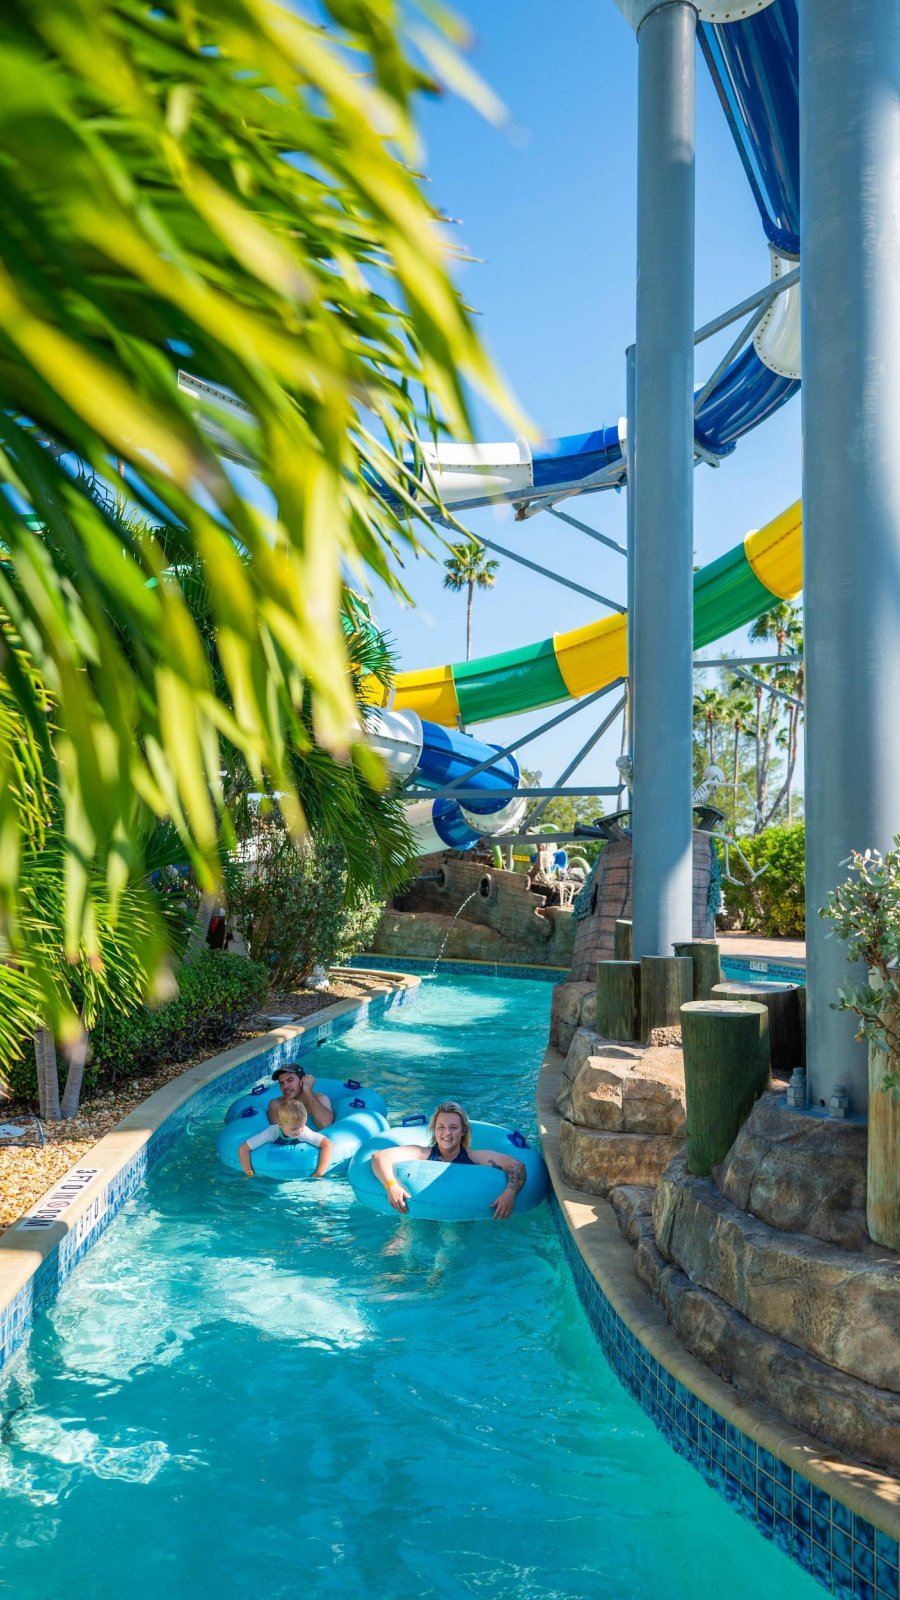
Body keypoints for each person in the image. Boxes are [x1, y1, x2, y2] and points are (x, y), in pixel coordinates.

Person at [371, 1101, 526, 1221]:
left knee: (451, 1241)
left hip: (459, 1218)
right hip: (420, 1215)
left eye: (453, 1127)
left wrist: (509, 1193)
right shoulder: (423, 1153)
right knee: (399, 1241)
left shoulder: (474, 1157)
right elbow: (380, 1157)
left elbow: (516, 1165)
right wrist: (391, 1185)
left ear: (463, 1131)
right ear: (434, 1130)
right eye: (441, 1127)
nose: (447, 1133)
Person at [238, 1099, 332, 1178]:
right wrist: (249, 1174)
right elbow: (243, 1149)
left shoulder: (304, 1132)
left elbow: (327, 1144)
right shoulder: (271, 1132)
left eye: (302, 1125)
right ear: (280, 1124)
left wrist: (319, 1173)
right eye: (294, 1128)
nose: (299, 1131)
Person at [267, 1063, 335, 1129]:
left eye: (290, 1080)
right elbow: (278, 1132)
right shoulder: (276, 1105)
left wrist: (308, 1090)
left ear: (302, 1080)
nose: (285, 1086)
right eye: (281, 1083)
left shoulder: (321, 1099)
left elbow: (325, 1125)